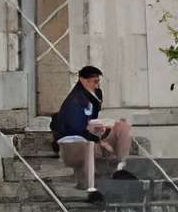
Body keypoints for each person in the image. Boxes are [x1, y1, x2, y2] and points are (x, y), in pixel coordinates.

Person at [50, 64, 136, 203]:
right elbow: (77, 128)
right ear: (83, 80)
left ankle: (121, 168)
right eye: (94, 81)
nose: (97, 85)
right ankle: (92, 186)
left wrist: (103, 129)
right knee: (90, 146)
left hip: (91, 137)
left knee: (122, 127)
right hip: (74, 143)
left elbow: (92, 120)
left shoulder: (93, 96)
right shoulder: (74, 100)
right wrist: (99, 140)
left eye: (98, 82)